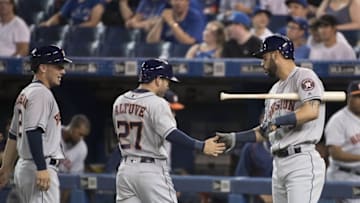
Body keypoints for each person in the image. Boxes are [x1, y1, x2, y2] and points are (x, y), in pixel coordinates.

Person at [217, 34, 326, 203]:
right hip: (278, 163)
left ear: (276, 54)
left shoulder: (304, 75)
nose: (262, 63)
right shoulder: (274, 90)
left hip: (301, 160)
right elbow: (265, 131)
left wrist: (278, 122)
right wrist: (235, 137)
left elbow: (311, 111)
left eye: (264, 57)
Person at [112, 58, 225, 203]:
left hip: (125, 170)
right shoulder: (158, 103)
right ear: (158, 80)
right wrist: (201, 146)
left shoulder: (120, 101)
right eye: (166, 81)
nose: (167, 85)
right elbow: (171, 133)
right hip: (150, 170)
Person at [0, 45, 71, 203]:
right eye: (58, 66)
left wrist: (6, 167)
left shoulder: (25, 93)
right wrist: (41, 168)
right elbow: (33, 131)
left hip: (26, 167)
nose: (63, 71)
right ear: (43, 67)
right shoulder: (40, 93)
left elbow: (13, 135)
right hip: (38, 165)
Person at [325, 80, 360, 203]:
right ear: (349, 98)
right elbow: (335, 153)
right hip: (343, 176)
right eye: (357, 96)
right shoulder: (338, 120)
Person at [40, 0, 105, 27]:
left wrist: (76, 28)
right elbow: (59, 16)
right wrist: (48, 23)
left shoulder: (96, 2)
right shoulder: (72, 2)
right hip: (73, 32)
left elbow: (93, 23)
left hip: (88, 33)